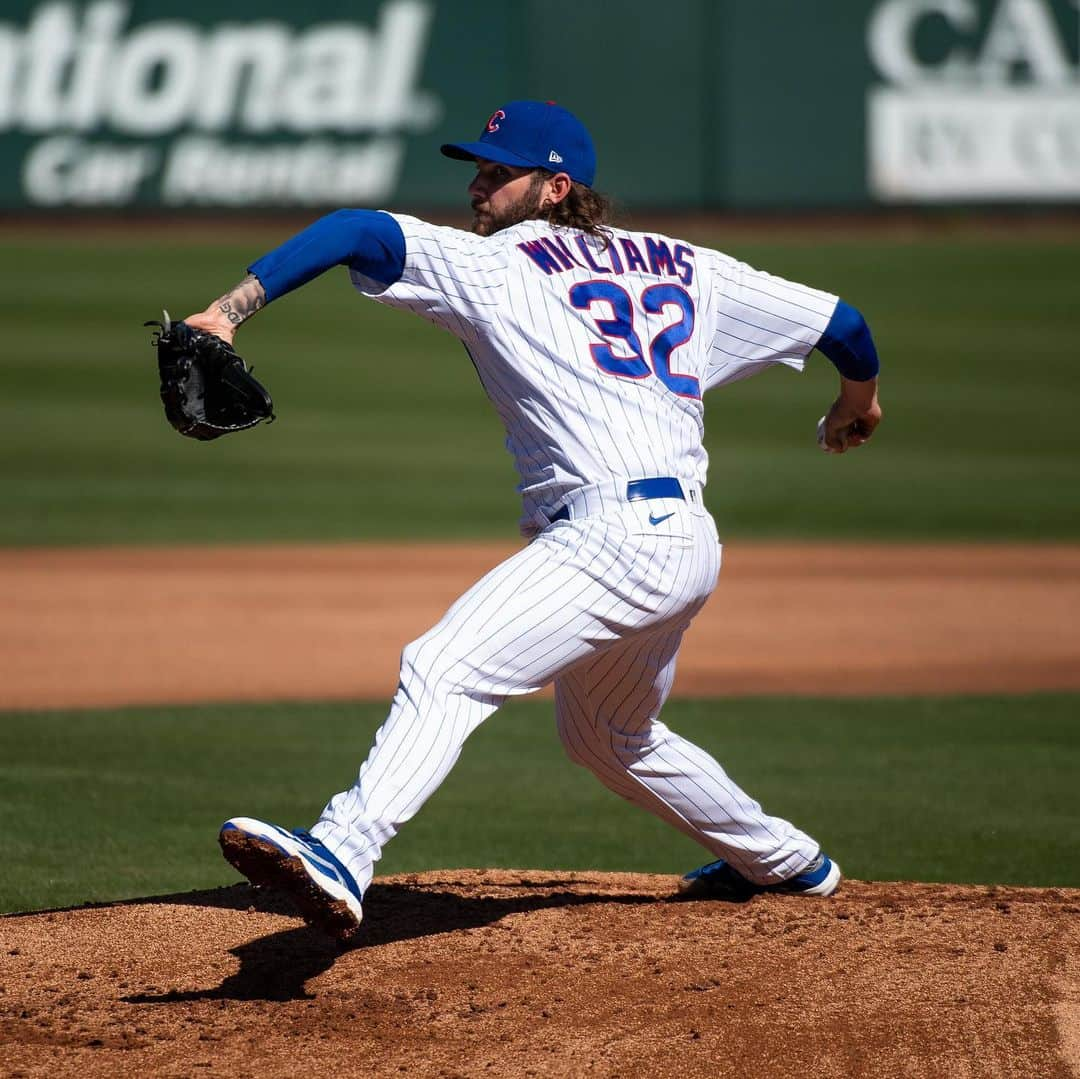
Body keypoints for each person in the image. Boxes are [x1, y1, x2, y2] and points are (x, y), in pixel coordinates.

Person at [195, 100, 882, 940]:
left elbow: (355, 228)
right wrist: (860, 404)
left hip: (612, 539)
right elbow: (844, 326)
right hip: (687, 541)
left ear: (556, 188)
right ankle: (785, 861)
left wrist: (229, 311)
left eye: (498, 172)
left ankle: (344, 847)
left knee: (445, 663)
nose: (478, 187)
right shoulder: (688, 266)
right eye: (477, 169)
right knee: (606, 732)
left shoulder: (499, 266)